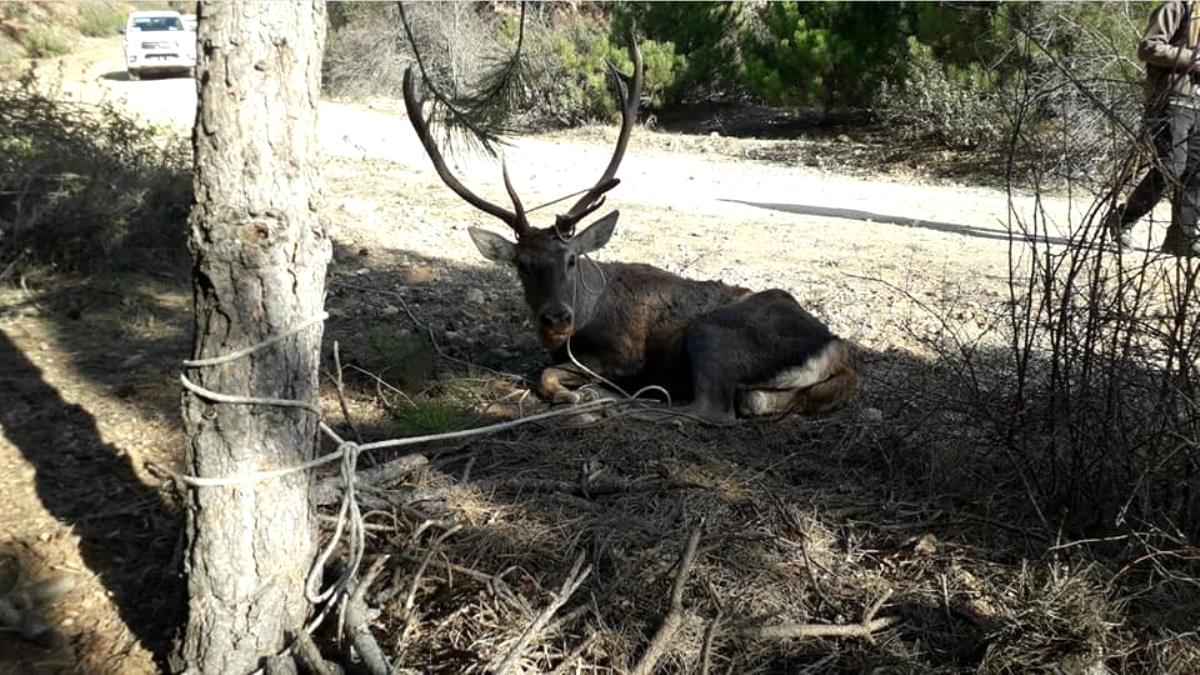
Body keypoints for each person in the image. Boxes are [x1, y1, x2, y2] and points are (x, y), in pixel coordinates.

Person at [1106, 0, 1200, 256]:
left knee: (1195, 172)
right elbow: (1148, 48)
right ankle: (1123, 219)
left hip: (1198, 102)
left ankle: (1182, 237)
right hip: (1170, 99)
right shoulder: (1177, 6)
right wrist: (1193, 59)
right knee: (1171, 167)